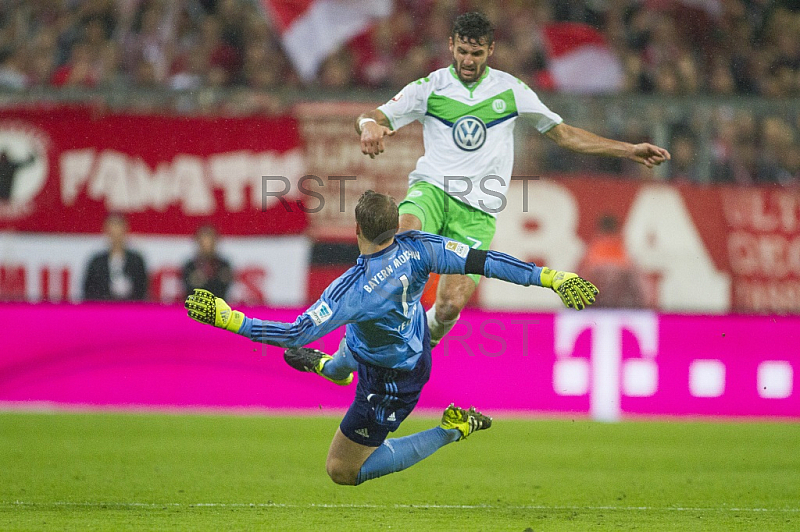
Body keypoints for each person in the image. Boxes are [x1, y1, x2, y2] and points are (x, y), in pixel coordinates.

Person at [185, 191, 597, 486]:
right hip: (402, 343)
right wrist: (549, 277)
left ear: (357, 229)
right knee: (354, 343)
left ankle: (452, 429)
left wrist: (229, 318)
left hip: (389, 383)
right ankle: (332, 367)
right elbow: (483, 261)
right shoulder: (418, 247)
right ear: (395, 225)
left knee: (342, 471)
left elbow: (295, 332)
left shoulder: (352, 290)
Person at [356, 11, 670, 347]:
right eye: (462, 51)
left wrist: (628, 150)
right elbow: (373, 114)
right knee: (404, 233)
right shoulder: (429, 88)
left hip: (477, 212)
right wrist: (369, 126)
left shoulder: (511, 90)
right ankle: (373, 330)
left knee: (448, 307)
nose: (467, 60)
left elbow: (564, 135)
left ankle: (417, 346)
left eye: (476, 53)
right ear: (451, 46)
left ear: (490, 51)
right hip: (432, 190)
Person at [82, 213, 148, 301]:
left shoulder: (136, 260)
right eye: (112, 227)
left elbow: (143, 290)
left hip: (130, 310)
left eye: (119, 227)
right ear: (106, 230)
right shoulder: (96, 262)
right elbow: (88, 291)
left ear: (125, 229)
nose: (116, 233)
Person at [182, 224, 233, 299]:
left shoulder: (223, 265)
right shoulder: (190, 266)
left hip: (219, 308)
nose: (206, 244)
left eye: (210, 240)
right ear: (198, 241)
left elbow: (222, 289)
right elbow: (190, 289)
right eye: (203, 240)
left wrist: (204, 282)